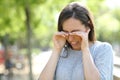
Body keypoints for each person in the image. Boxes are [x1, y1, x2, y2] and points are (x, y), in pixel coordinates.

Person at [39, 2, 113, 80]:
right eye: (66, 32)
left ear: (88, 27)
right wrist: (56, 50)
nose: (70, 39)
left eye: (75, 32)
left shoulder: (103, 49)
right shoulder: (61, 52)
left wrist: (85, 50)